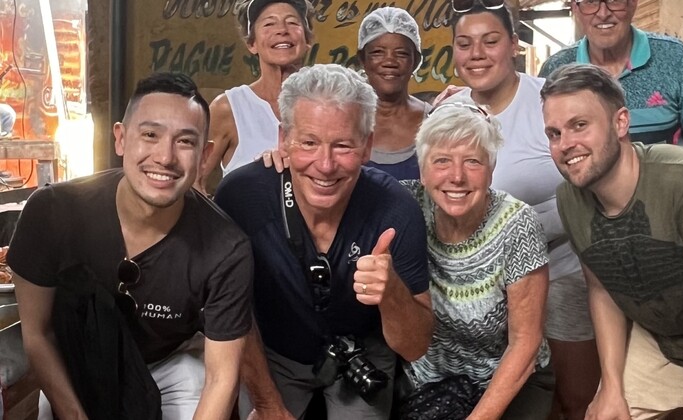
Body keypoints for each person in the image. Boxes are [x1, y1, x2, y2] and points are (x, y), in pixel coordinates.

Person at [8, 73, 260, 419]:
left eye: (185, 142)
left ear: (205, 156)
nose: (165, 157)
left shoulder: (226, 248)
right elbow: (38, 333)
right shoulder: (52, 211)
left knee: (195, 378)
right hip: (78, 358)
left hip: (167, 361)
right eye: (150, 135)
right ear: (121, 139)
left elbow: (221, 377)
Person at [541, 63, 683, 420]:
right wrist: (612, 387)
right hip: (665, 342)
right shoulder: (570, 197)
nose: (565, 144)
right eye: (554, 133)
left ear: (620, 123)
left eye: (579, 125)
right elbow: (603, 290)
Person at [214, 64, 433, 419]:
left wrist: (391, 293)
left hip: (361, 352)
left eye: (343, 145)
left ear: (367, 146)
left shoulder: (395, 208)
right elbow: (231, 317)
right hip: (271, 350)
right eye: (309, 143)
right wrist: (268, 404)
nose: (326, 164)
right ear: (283, 139)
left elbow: (416, 345)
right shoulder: (241, 197)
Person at [437, 3, 601, 418]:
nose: (477, 53)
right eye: (464, 43)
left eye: (490, 41)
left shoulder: (548, 100)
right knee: (514, 398)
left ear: (513, 44)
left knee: (574, 398)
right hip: (484, 293)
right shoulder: (446, 114)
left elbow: (592, 176)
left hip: (563, 273)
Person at [398, 98, 551, 419]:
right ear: (422, 170)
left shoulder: (517, 223)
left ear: (492, 169)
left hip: (508, 379)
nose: (457, 176)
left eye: (472, 161)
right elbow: (340, 180)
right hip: (426, 382)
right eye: (441, 161)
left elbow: (525, 342)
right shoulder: (405, 203)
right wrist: (281, 160)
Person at [539, 0, 683, 164]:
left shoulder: (674, 57)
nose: (603, 13)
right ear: (575, 8)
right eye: (590, 2)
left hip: (671, 195)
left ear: (633, 4)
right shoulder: (557, 69)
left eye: (614, 1)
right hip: (588, 198)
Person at [195, 0, 312, 194]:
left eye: (292, 22)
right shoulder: (229, 108)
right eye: (269, 24)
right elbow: (193, 181)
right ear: (252, 43)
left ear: (307, 39)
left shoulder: (326, 104)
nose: (282, 30)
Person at [356, 6, 430, 180]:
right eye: (377, 53)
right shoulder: (345, 119)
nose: (389, 61)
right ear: (362, 59)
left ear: (416, 60)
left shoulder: (435, 121)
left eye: (401, 53)